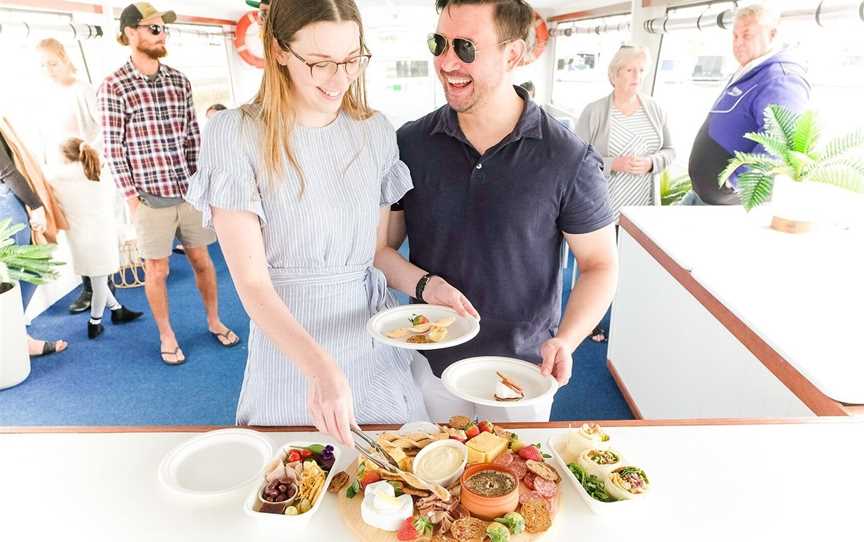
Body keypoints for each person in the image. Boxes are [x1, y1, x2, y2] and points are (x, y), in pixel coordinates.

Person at [186, 0, 474, 444]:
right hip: (293, 348)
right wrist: (321, 369)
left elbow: (376, 253)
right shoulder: (234, 133)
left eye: (352, 59)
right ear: (280, 51)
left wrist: (426, 285)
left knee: (392, 480)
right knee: (299, 476)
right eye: (321, 64)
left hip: (370, 337)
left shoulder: (374, 130)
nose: (340, 79)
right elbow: (253, 285)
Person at [392, 0, 619, 422]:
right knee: (431, 481)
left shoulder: (568, 157)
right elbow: (381, 250)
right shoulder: (410, 144)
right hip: (431, 361)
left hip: (522, 370)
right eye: (438, 43)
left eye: (465, 47)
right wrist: (424, 285)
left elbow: (600, 264)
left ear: (512, 54)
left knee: (517, 485)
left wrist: (566, 341)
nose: (445, 61)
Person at [98, 2, 239, 365]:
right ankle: (167, 334)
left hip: (188, 192)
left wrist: (202, 187)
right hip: (148, 197)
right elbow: (114, 149)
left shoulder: (179, 81)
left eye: (163, 29)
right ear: (130, 33)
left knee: (203, 261)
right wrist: (132, 200)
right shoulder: (114, 86)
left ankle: (213, 320)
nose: (162, 34)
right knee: (157, 271)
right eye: (154, 28)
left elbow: (193, 137)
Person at [575, 44, 675, 343]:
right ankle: (588, 321)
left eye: (641, 70)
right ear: (614, 74)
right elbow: (576, 159)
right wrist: (612, 163)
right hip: (603, 208)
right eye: (630, 70)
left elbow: (670, 151)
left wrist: (651, 164)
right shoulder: (595, 111)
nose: (636, 76)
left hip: (641, 208)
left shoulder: (655, 109)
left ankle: (626, 326)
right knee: (598, 268)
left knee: (632, 271)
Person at [682, 3, 810, 206]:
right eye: (735, 36)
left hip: (730, 207)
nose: (738, 43)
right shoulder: (749, 71)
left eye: (747, 35)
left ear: (772, 35)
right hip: (703, 198)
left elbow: (780, 141)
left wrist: (736, 182)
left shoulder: (781, 78)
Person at [36, 38, 112, 315]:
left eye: (52, 63)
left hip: (86, 173)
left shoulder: (84, 90)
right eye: (43, 66)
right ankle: (89, 287)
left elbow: (105, 129)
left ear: (65, 58)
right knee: (75, 235)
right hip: (59, 176)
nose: (49, 70)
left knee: (93, 232)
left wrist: (89, 150)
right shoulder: (45, 96)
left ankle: (102, 286)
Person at [49, 138, 143, 338]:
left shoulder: (56, 180)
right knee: (99, 281)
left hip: (79, 239)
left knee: (97, 280)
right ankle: (99, 321)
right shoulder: (100, 172)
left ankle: (109, 314)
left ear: (66, 156)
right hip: (103, 235)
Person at [0, 125, 67, 356]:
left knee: (13, 274)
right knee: (26, 270)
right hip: (4, 204)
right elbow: (6, 170)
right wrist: (36, 206)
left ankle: (15, 334)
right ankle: (17, 337)